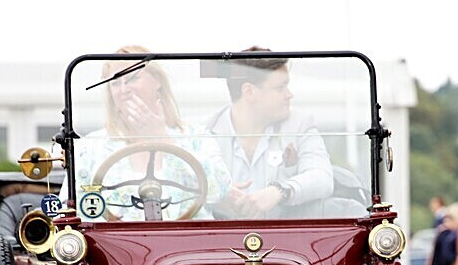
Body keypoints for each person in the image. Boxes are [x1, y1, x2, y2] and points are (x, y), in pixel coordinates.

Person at [71, 46, 230, 220]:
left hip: (188, 242)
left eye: (132, 78)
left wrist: (163, 138)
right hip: (117, 245)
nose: (124, 89)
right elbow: (75, 210)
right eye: (115, 83)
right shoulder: (91, 147)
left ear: (157, 81)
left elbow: (219, 191)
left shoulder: (195, 137)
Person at [207, 47, 334, 219]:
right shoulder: (204, 133)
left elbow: (322, 178)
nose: (290, 94)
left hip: (286, 239)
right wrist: (215, 197)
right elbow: (184, 189)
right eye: (280, 88)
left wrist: (279, 191)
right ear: (249, 92)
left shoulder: (301, 124)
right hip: (222, 239)